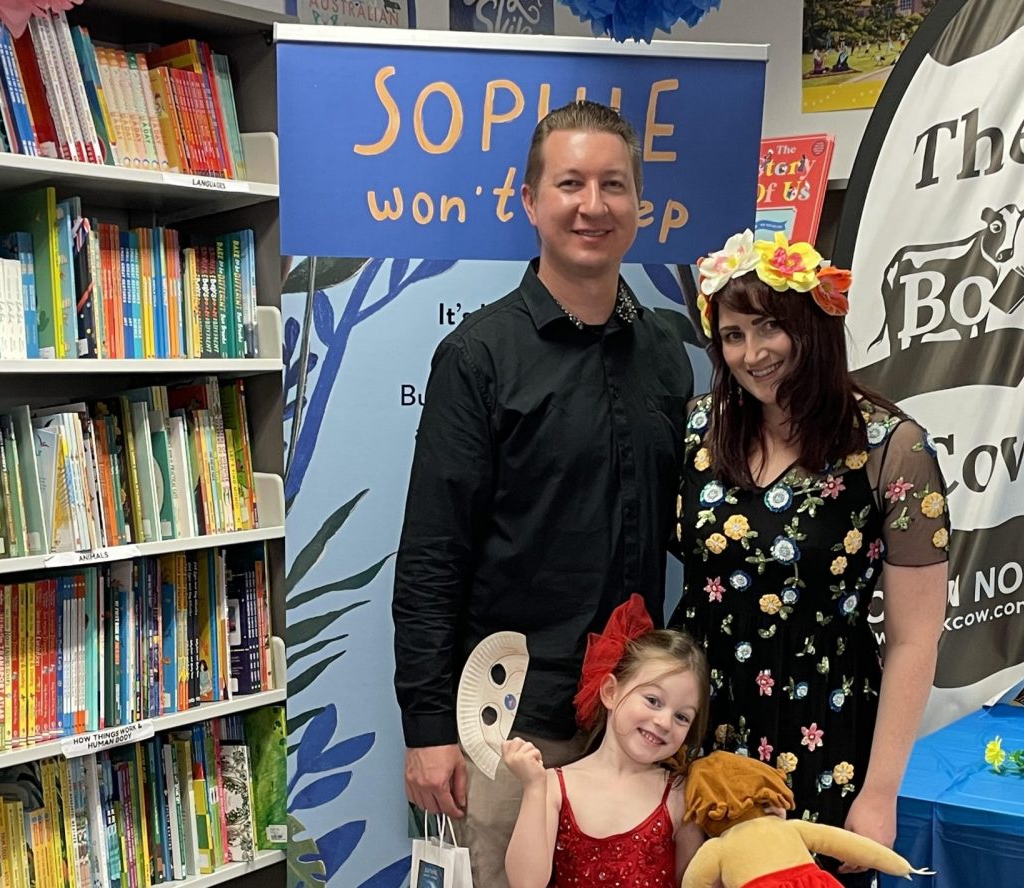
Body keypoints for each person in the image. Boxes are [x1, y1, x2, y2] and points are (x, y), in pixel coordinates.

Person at [392, 100, 693, 887]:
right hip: (512, 724)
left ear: (639, 206)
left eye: (613, 185)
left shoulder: (666, 350)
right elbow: (432, 553)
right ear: (528, 201)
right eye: (569, 183)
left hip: (638, 718)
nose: (592, 206)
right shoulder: (478, 356)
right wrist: (427, 729)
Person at [671, 231, 949, 887]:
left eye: (770, 327)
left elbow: (916, 638)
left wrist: (880, 793)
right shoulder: (697, 431)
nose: (751, 353)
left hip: (826, 733)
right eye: (733, 335)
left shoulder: (891, 448)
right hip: (701, 729)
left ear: (815, 326)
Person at [501, 594, 708, 888]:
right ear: (610, 692)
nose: (664, 722)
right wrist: (533, 787)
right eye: (652, 700)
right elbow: (526, 883)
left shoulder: (679, 794)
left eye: (682, 717)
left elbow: (697, 882)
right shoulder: (553, 786)